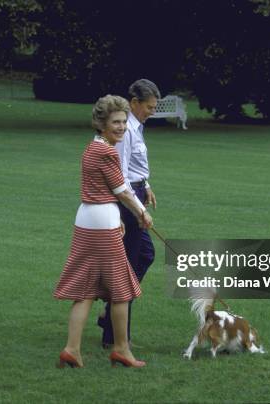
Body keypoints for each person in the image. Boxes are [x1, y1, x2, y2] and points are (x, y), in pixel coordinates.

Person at [54, 95, 153, 368]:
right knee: (121, 290)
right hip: (102, 221)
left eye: (123, 122)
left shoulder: (92, 148)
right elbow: (122, 190)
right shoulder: (107, 152)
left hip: (88, 218)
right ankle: (121, 349)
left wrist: (118, 217)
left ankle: (72, 349)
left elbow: (103, 190)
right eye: (115, 122)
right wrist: (141, 213)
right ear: (102, 123)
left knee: (85, 290)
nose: (121, 127)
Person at [98, 79, 161, 348]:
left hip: (135, 192)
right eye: (148, 107)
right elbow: (119, 176)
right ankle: (113, 334)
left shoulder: (136, 127)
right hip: (126, 200)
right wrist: (137, 209)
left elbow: (136, 166)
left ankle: (110, 313)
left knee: (144, 255)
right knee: (130, 263)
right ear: (134, 103)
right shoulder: (126, 131)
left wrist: (146, 185)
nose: (152, 111)